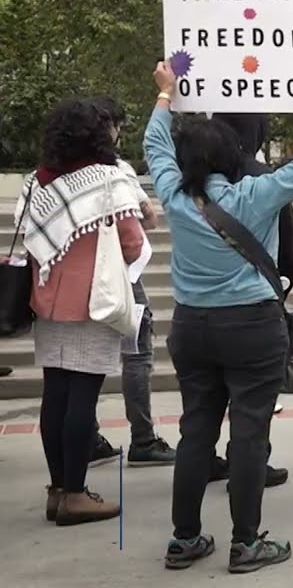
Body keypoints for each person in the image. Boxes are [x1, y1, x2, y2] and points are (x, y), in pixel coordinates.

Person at [146, 62, 293, 574]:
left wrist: (165, 95)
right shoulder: (255, 195)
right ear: (232, 156)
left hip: (191, 327)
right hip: (251, 326)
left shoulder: (174, 195)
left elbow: (154, 146)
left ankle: (184, 538)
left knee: (196, 431)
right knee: (250, 432)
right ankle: (246, 543)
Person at [12, 98, 145, 525]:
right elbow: (133, 243)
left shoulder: (37, 181)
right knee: (82, 401)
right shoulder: (107, 180)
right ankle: (75, 493)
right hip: (94, 301)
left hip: (47, 299)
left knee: (55, 396)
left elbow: (32, 235)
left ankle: (56, 489)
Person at [208, 112, 293, 489]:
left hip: (199, 307)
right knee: (253, 403)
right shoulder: (263, 177)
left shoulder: (194, 176)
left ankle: (201, 460)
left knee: (202, 404)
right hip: (256, 302)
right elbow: (289, 246)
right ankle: (249, 468)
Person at [86, 97, 176, 468]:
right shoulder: (117, 170)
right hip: (123, 280)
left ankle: (86, 437)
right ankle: (142, 439)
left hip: (77, 280)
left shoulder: (54, 172)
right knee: (136, 356)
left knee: (83, 361)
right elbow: (148, 220)